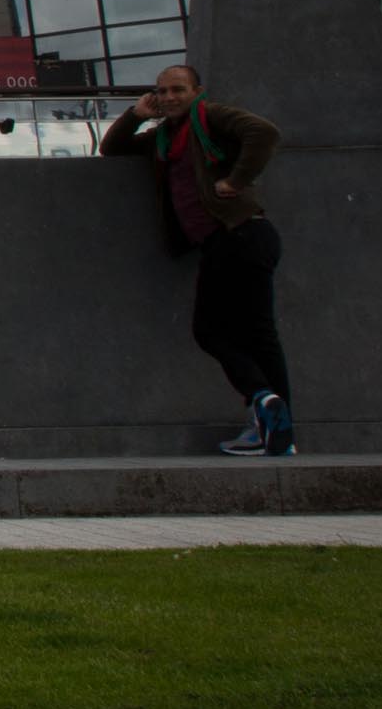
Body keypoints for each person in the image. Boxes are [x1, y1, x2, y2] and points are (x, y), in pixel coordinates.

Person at [100, 64, 295, 456]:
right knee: (257, 333)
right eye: (162, 91)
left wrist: (235, 180)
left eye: (178, 89)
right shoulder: (163, 139)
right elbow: (113, 148)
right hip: (225, 241)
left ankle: (263, 401)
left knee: (213, 331)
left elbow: (264, 133)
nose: (169, 97)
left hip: (240, 234)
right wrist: (136, 114)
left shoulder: (211, 117)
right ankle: (276, 424)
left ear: (197, 91)